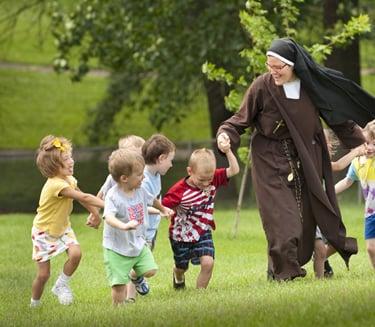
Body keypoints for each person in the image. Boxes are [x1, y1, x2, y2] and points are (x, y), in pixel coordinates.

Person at [217, 37, 375, 281]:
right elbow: (238, 121)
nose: (273, 72)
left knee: (304, 222)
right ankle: (287, 274)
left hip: (302, 159)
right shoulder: (262, 86)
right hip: (269, 160)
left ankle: (277, 268)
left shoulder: (310, 88)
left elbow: (338, 121)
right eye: (269, 66)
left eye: (278, 67)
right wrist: (224, 136)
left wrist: (363, 141)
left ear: (293, 65)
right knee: (283, 220)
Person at [30, 135, 104, 307]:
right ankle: (34, 303)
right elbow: (84, 196)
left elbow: (82, 198)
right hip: (43, 232)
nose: (72, 161)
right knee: (43, 275)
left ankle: (61, 285)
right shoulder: (56, 185)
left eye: (71, 157)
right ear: (55, 166)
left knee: (76, 253)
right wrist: (110, 206)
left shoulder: (69, 180)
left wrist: (95, 214)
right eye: (66, 159)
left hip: (63, 228)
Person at [162, 145, 239, 289]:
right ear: (190, 171)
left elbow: (234, 170)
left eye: (209, 180)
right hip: (181, 235)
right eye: (201, 180)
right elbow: (163, 206)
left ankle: (200, 294)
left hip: (203, 230)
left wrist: (228, 151)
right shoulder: (178, 191)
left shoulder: (214, 178)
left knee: (208, 262)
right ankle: (178, 276)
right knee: (182, 267)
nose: (205, 184)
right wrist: (164, 211)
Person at [103, 148, 173, 305]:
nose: (143, 177)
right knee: (119, 286)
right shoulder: (113, 196)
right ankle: (118, 312)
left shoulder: (140, 190)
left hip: (138, 243)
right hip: (117, 248)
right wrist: (124, 226)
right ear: (124, 178)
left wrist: (162, 210)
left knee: (151, 270)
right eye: (139, 174)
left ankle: (135, 276)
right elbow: (108, 217)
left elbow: (152, 200)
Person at [314, 130, 366, 278]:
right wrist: (356, 152)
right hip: (311, 210)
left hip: (323, 209)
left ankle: (321, 260)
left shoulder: (321, 161)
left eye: (327, 143)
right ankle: (321, 266)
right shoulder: (310, 160)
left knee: (338, 241)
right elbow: (337, 166)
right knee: (320, 244)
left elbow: (338, 168)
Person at [335, 121, 375, 270]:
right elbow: (347, 181)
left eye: (374, 144)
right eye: (366, 143)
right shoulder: (358, 163)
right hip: (371, 213)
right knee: (371, 249)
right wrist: (329, 192)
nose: (369, 147)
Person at [142, 134, 176, 250]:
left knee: (145, 266)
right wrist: (160, 210)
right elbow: (140, 207)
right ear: (161, 158)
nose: (171, 165)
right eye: (170, 160)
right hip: (141, 233)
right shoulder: (143, 181)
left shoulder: (156, 174)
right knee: (143, 266)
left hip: (151, 230)